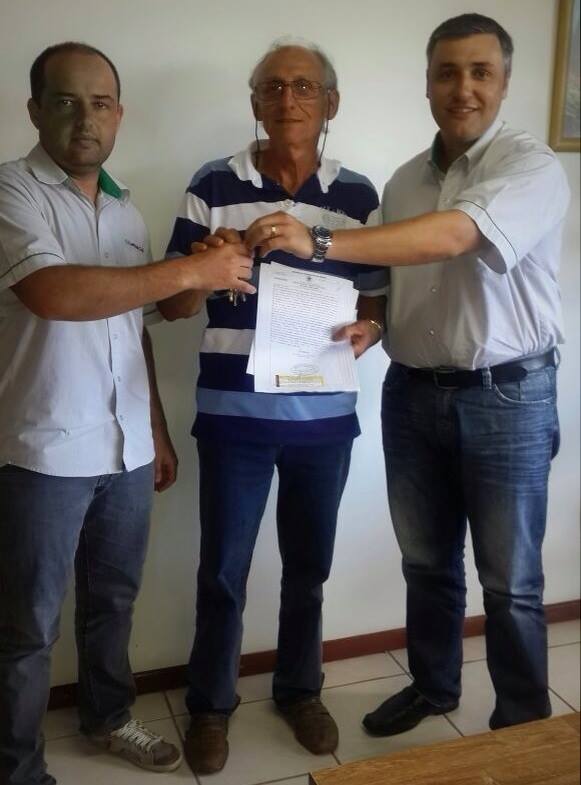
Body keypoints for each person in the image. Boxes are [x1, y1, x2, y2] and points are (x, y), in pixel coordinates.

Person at [243, 15, 570, 735]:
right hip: (413, 393)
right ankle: (433, 687)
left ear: (504, 83)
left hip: (507, 397)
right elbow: (397, 285)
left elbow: (456, 235)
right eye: (447, 72)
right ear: (427, 83)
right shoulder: (401, 182)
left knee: (510, 581)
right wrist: (374, 324)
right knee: (425, 563)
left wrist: (316, 240)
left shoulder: (529, 166)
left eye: (480, 72)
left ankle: (524, 727)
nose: (463, 88)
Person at [0, 42, 254, 785]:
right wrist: (190, 268)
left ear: (119, 115)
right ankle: (18, 769)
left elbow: (149, 318)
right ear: (34, 110)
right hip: (43, 449)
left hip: (126, 448)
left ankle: (107, 717)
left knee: (113, 601)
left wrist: (201, 273)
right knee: (26, 626)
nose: (85, 118)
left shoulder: (126, 210)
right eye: (65, 101)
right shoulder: (11, 191)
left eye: (101, 103)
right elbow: (52, 293)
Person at [159, 40, 387, 775]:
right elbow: (171, 305)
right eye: (273, 87)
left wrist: (372, 329)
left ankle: (299, 690)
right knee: (222, 572)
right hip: (234, 419)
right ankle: (209, 705)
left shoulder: (357, 196)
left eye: (304, 87)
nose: (288, 99)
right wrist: (207, 265)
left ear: (330, 102)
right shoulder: (212, 184)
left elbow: (377, 296)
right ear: (254, 101)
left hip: (324, 421)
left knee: (308, 569)